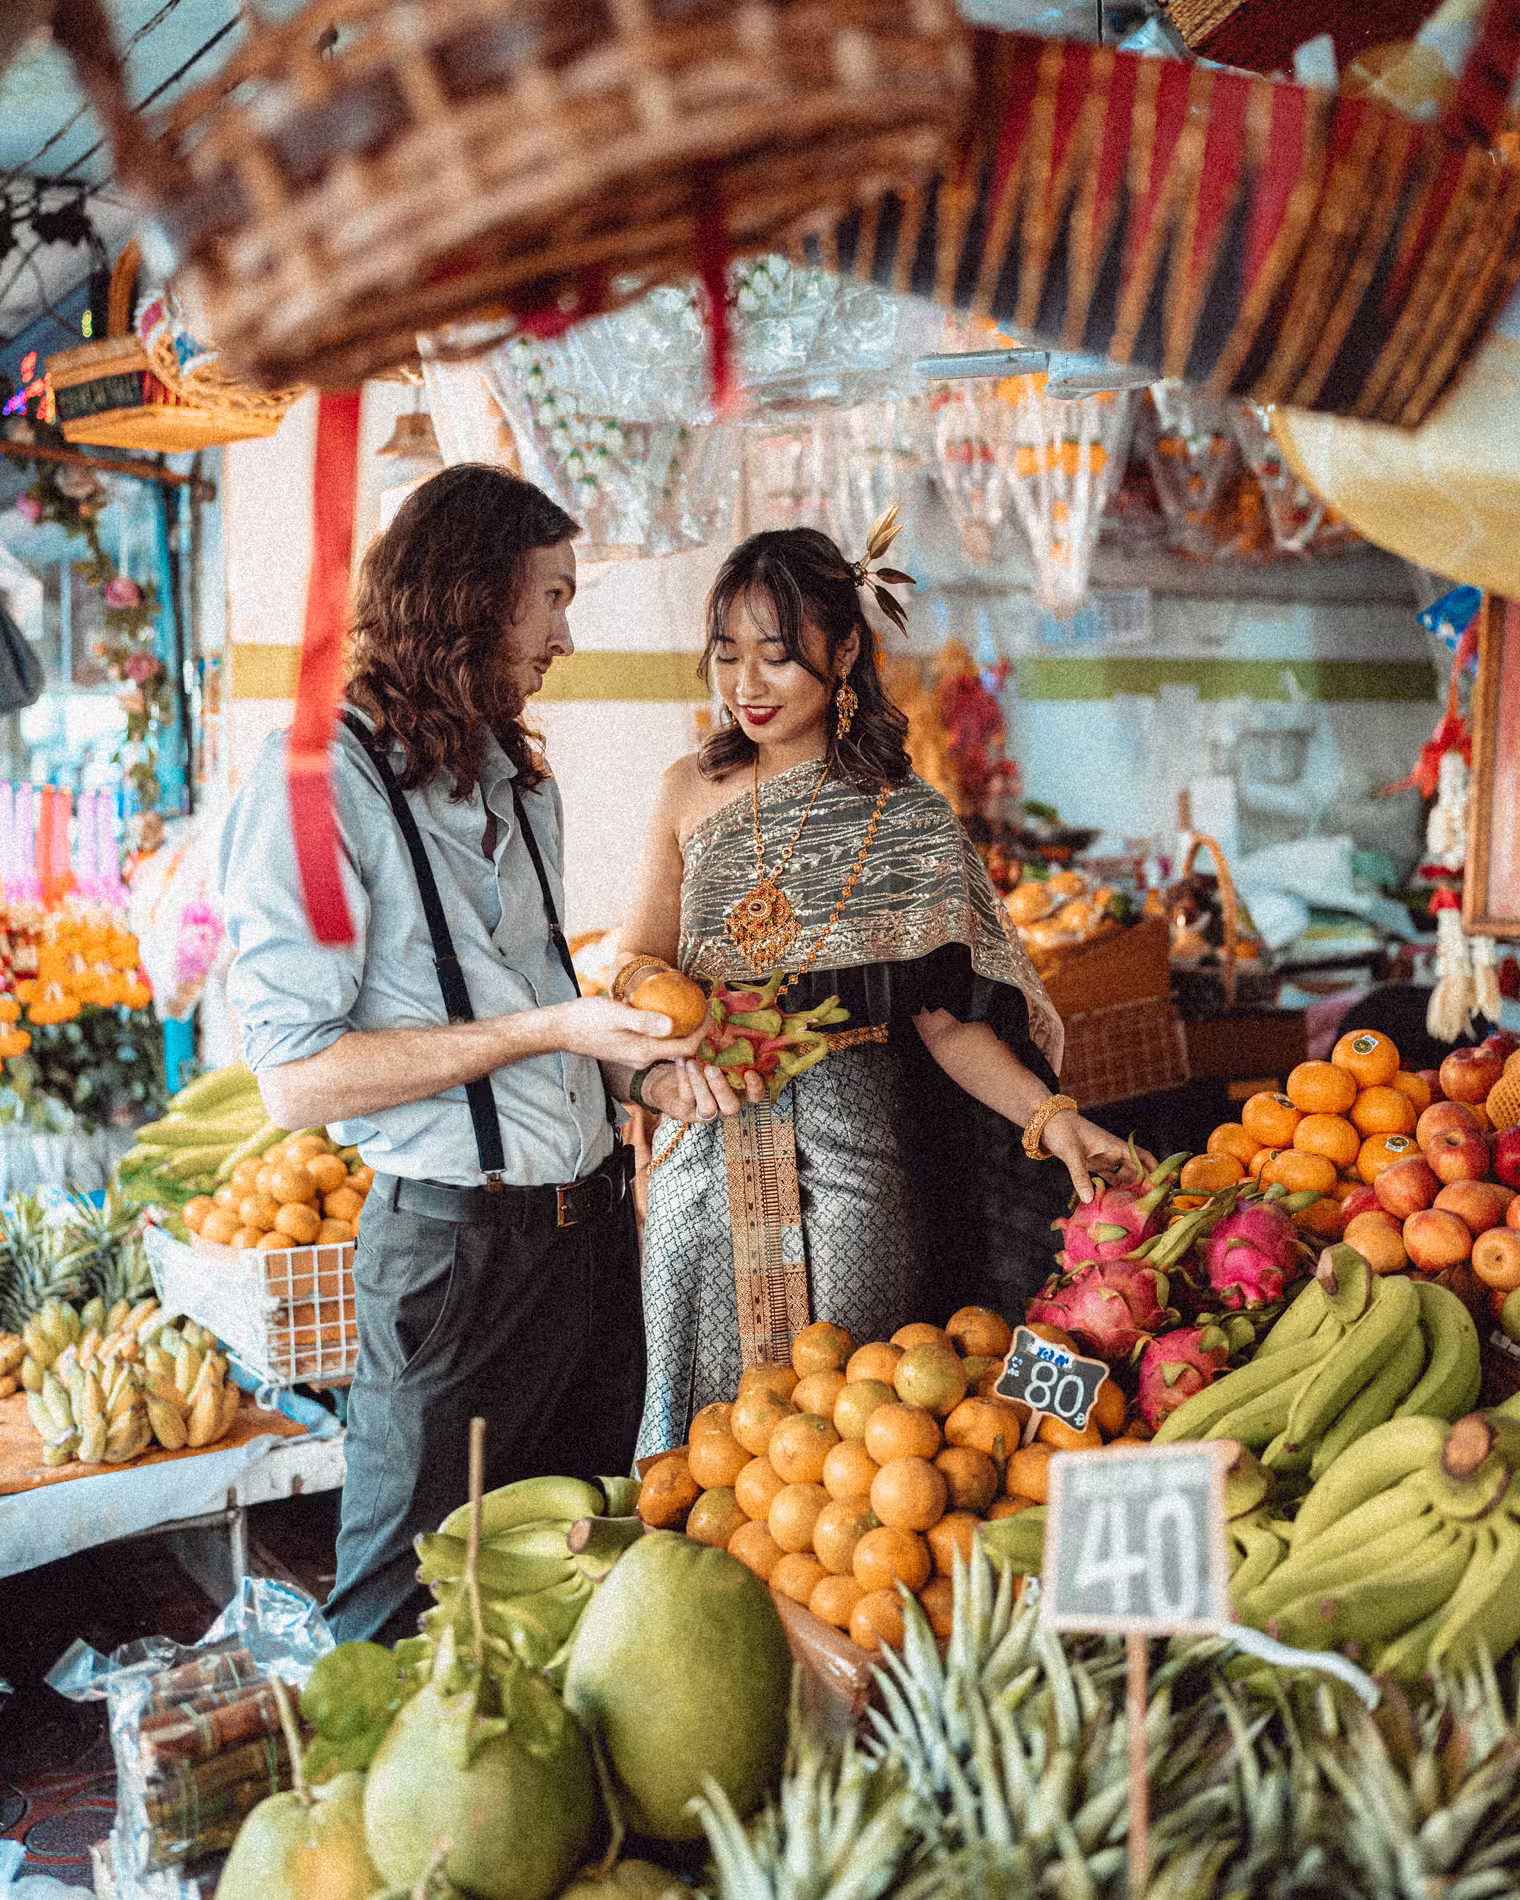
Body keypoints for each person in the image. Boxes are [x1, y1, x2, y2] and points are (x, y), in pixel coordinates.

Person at [219, 464, 728, 1644]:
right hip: (453, 1264)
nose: (565, 637)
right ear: (469, 595)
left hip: (588, 1245)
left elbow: (535, 1014)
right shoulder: (314, 785)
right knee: (400, 1606)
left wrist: (640, 1072)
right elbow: (295, 1079)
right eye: (551, 598)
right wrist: (552, 1028)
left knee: (581, 1579)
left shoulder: (521, 781)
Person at [618, 519, 1150, 1459]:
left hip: (853, 1157)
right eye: (727, 654)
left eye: (776, 656)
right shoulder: (685, 790)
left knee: (861, 1424)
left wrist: (1052, 1117)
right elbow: (636, 958)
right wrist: (678, 1009)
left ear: (843, 653)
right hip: (704, 1152)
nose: (746, 684)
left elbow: (950, 1023)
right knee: (697, 1438)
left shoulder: (905, 820)